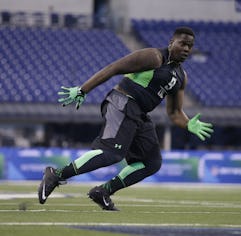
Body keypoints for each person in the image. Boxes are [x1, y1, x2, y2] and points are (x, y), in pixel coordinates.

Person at [38, 27, 214, 210]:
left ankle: (103, 191)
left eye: (190, 46)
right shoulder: (153, 57)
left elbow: (175, 112)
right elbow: (114, 68)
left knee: (151, 163)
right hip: (121, 102)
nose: (186, 49)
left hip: (140, 114)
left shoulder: (181, 77)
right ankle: (56, 174)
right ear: (171, 42)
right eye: (183, 44)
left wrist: (187, 123)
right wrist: (83, 90)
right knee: (111, 153)